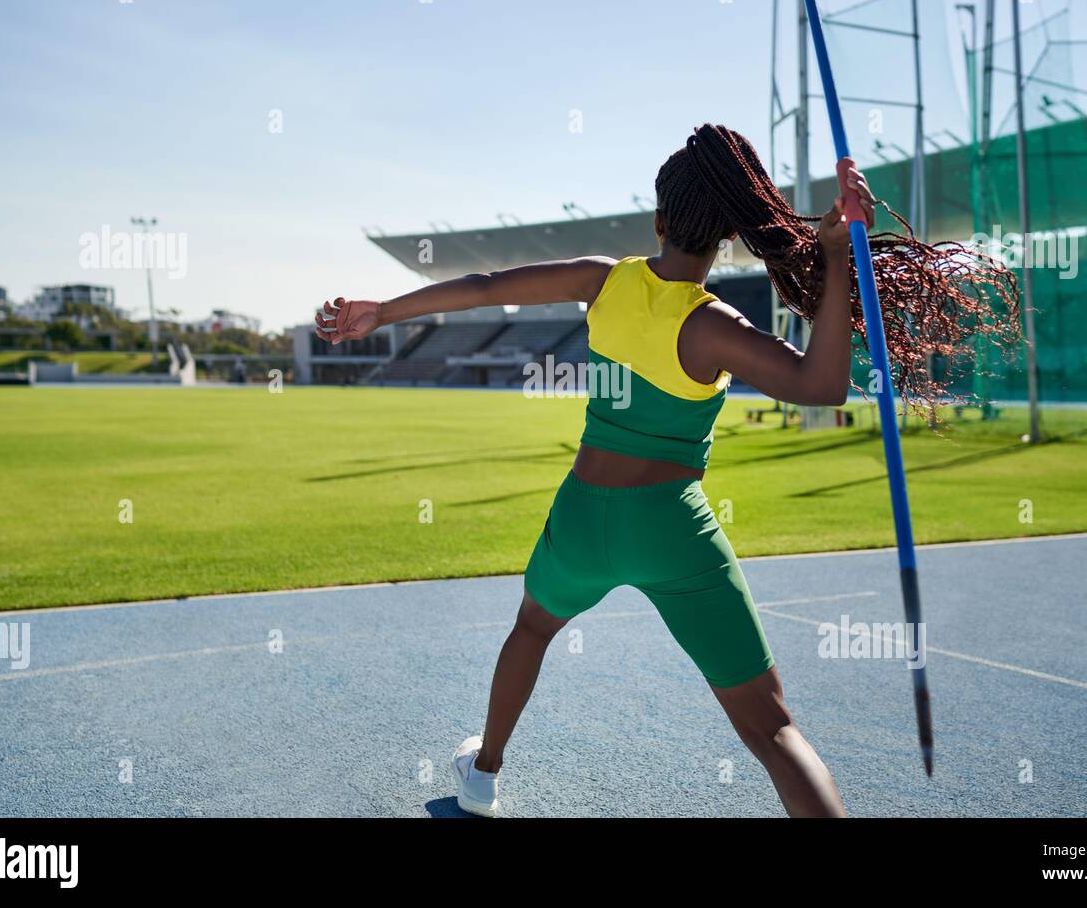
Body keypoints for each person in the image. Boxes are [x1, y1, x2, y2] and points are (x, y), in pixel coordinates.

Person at [316, 123, 1018, 817]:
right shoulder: (714, 326)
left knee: (531, 627)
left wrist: (383, 311)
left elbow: (483, 285)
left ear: (658, 220)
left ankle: (484, 772)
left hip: (586, 516)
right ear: (730, 238)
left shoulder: (601, 280)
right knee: (772, 728)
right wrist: (835, 256)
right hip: (674, 530)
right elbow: (821, 384)